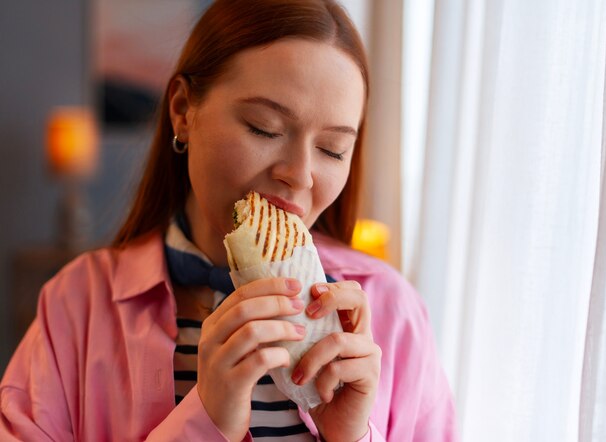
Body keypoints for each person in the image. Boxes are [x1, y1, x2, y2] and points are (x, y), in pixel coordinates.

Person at [0, 0, 457, 440]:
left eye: (332, 149)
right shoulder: (77, 304)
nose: (299, 174)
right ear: (182, 110)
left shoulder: (394, 313)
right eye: (264, 127)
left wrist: (354, 438)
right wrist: (203, 422)